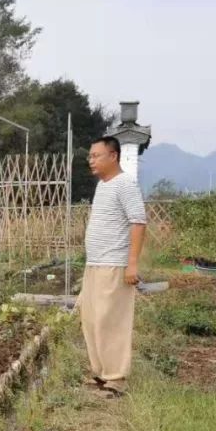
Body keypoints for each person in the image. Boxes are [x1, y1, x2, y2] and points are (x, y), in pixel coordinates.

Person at [80, 136, 147, 398]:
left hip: (113, 264)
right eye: (90, 156)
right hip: (95, 263)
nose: (91, 160)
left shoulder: (125, 184)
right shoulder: (103, 185)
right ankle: (100, 372)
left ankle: (116, 378)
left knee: (111, 321)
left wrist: (132, 264)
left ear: (113, 156)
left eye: (96, 155)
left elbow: (138, 222)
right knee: (92, 319)